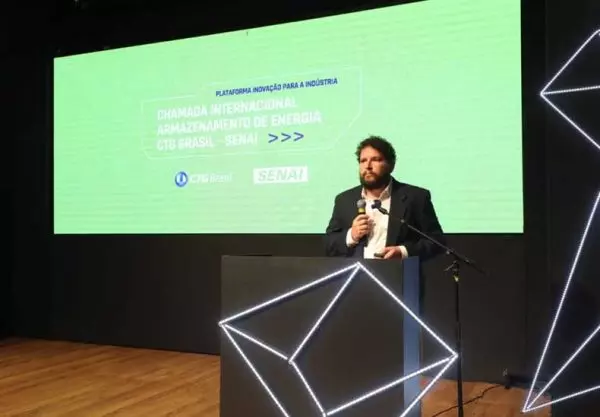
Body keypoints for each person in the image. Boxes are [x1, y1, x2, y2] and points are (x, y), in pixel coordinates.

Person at [325, 135, 446, 261]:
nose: (368, 166)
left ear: (391, 165)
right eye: (363, 161)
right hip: (356, 272)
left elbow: (437, 242)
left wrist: (402, 251)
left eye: (376, 159)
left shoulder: (415, 197)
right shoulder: (344, 200)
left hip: (398, 271)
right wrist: (352, 235)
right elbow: (329, 245)